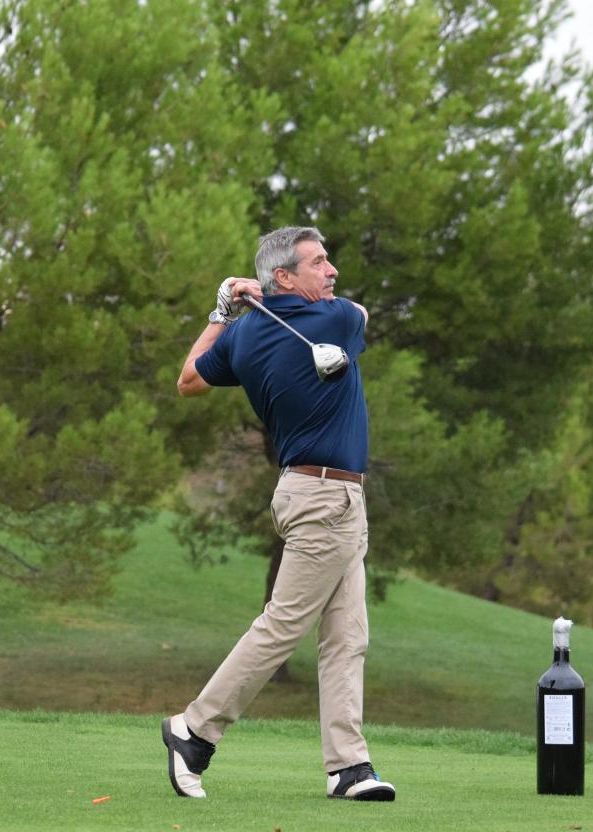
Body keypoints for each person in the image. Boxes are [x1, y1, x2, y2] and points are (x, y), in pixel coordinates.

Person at [162, 226, 395, 802]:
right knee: (282, 627)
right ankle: (193, 730)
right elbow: (362, 315)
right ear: (285, 276)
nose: (332, 271)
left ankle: (348, 768)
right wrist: (259, 298)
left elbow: (188, 380)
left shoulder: (244, 335)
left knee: (347, 636)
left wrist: (223, 309)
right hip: (324, 499)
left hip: (314, 494)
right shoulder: (335, 320)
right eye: (319, 263)